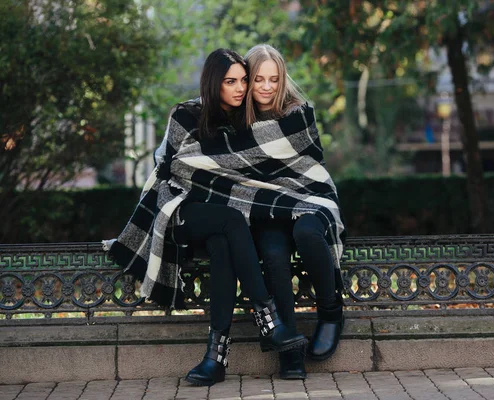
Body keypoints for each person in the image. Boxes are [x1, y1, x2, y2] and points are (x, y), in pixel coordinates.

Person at [103, 48, 307, 388]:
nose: (240, 89)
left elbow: (244, 179)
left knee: (223, 241)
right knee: (229, 221)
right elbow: (174, 168)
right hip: (180, 211)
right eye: (230, 82)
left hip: (220, 219)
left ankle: (216, 359)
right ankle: (269, 320)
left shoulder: (244, 124)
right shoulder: (186, 115)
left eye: (243, 81)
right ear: (214, 83)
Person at [244, 44, 346, 379]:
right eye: (259, 78)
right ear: (248, 80)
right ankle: (289, 349)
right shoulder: (235, 122)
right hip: (266, 208)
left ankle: (330, 313)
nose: (267, 86)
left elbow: (311, 168)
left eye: (274, 78)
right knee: (273, 254)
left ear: (282, 78)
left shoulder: (299, 114)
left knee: (306, 232)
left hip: (308, 198)